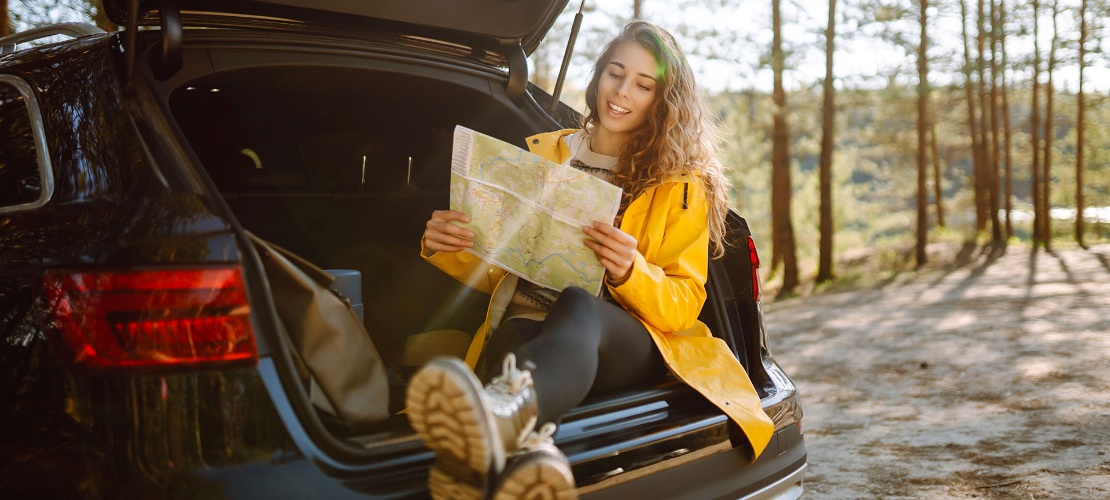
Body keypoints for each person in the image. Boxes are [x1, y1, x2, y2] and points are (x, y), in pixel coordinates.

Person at [406, 21, 775, 499]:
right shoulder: (548, 153)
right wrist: (452, 246)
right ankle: (517, 465)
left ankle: (497, 440)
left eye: (643, 85)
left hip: (627, 340)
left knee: (578, 305)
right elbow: (505, 268)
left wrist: (630, 270)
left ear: (663, 100)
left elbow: (684, 303)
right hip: (533, 330)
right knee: (516, 332)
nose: (621, 92)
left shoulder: (679, 183)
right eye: (615, 74)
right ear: (598, 75)